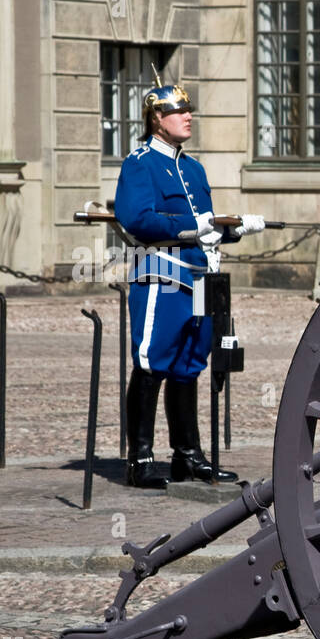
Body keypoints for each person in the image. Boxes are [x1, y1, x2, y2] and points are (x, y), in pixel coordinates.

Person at [115, 72, 265, 487]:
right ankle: (140, 460)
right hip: (162, 271)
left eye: (188, 109)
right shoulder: (140, 163)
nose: (188, 116)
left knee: (188, 365)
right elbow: (138, 219)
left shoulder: (194, 168)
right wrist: (195, 224)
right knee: (152, 361)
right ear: (156, 118)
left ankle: (187, 456)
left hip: (200, 276)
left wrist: (232, 228)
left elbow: (207, 225)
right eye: (179, 110)